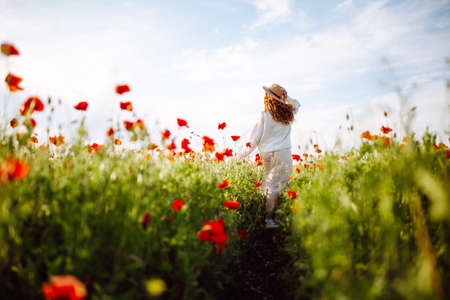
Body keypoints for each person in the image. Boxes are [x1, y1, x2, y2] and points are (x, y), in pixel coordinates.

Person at [239, 83, 300, 229]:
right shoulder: (288, 113)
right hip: (283, 152)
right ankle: (274, 219)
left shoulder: (265, 116)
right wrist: (287, 97)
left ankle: (269, 218)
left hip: (267, 154)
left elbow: (253, 139)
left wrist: (239, 156)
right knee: (280, 186)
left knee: (269, 185)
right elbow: (297, 103)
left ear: (268, 97)